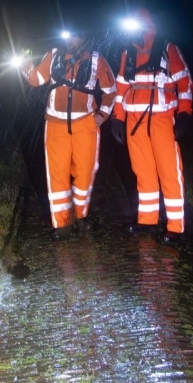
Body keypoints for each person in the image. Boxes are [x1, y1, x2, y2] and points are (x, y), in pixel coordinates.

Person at [19, 29, 117, 240]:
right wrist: (24, 62)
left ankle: (81, 216)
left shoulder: (96, 59)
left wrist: (101, 116)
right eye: (69, 35)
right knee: (57, 173)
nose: (73, 40)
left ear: (85, 37)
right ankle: (62, 224)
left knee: (86, 170)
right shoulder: (53, 54)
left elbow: (111, 91)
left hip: (86, 124)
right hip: (55, 125)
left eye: (78, 35)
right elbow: (36, 79)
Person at [111, 9, 193, 243]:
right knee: (143, 171)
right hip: (134, 121)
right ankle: (147, 220)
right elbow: (121, 87)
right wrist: (117, 117)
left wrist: (185, 113)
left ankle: (176, 227)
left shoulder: (169, 49)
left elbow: (184, 82)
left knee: (169, 171)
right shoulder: (128, 52)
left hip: (162, 118)